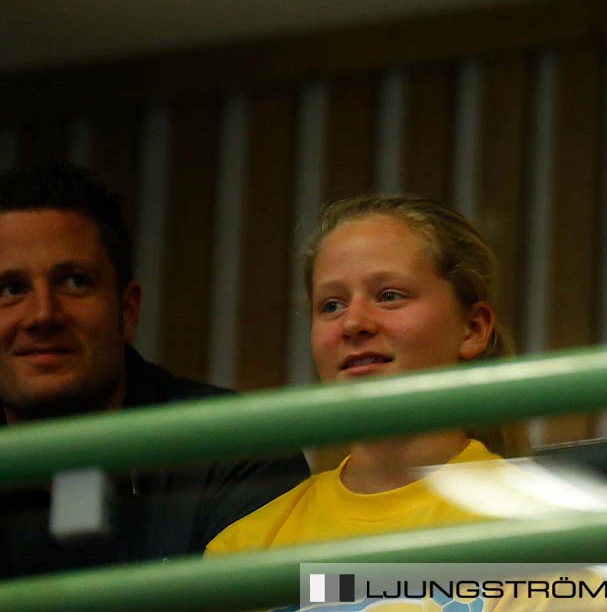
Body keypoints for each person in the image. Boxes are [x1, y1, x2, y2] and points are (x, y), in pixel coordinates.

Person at [0, 162, 308, 577]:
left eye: (74, 282)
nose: (42, 314)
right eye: (10, 289)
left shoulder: (235, 448)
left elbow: (321, 593)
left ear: (127, 311)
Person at [206, 192, 514, 552]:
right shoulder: (246, 547)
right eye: (332, 305)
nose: (353, 323)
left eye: (389, 296)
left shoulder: (542, 523)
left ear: (474, 328)